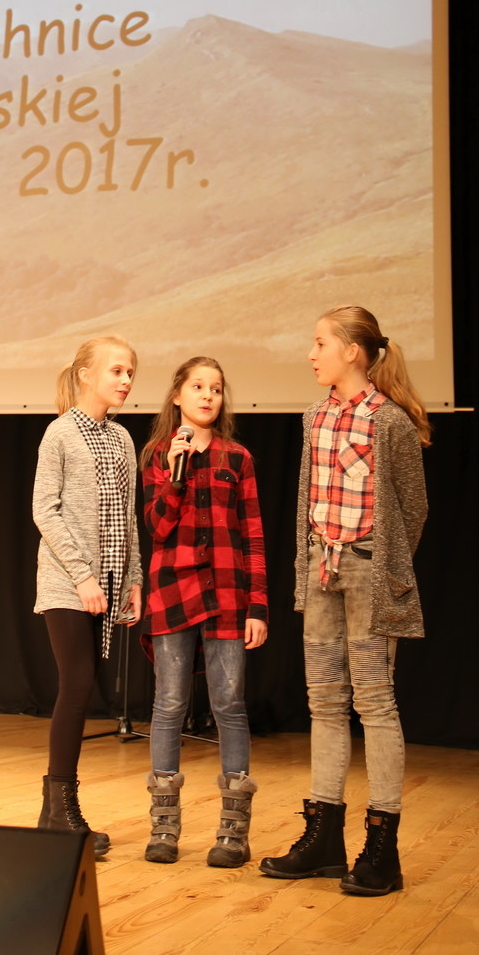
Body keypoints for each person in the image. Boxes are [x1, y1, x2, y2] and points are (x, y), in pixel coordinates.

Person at [259, 305, 430, 896]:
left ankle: (382, 846)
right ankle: (323, 835)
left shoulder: (390, 421)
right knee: (325, 702)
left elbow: (413, 508)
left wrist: (382, 563)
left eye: (320, 343)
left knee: (375, 701)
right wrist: (311, 563)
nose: (311, 354)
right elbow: (308, 498)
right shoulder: (316, 415)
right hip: (321, 569)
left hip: (368, 571)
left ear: (352, 351)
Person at [139, 356, 268, 867]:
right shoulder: (158, 454)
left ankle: (233, 832)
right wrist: (176, 474)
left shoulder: (238, 458)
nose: (207, 395)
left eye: (215, 388)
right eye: (197, 386)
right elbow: (156, 527)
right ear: (177, 396)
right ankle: (164, 826)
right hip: (173, 592)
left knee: (229, 705)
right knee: (169, 703)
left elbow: (253, 535)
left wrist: (258, 605)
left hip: (229, 597)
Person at [32, 335, 143, 858]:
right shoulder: (59, 433)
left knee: (83, 687)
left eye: (130, 372)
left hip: (109, 585)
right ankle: (62, 809)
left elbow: (129, 515)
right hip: (67, 582)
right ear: (85, 374)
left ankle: (53, 814)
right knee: (75, 685)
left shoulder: (121, 439)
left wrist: (134, 579)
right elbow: (44, 509)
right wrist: (81, 576)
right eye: (116, 370)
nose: (125, 380)